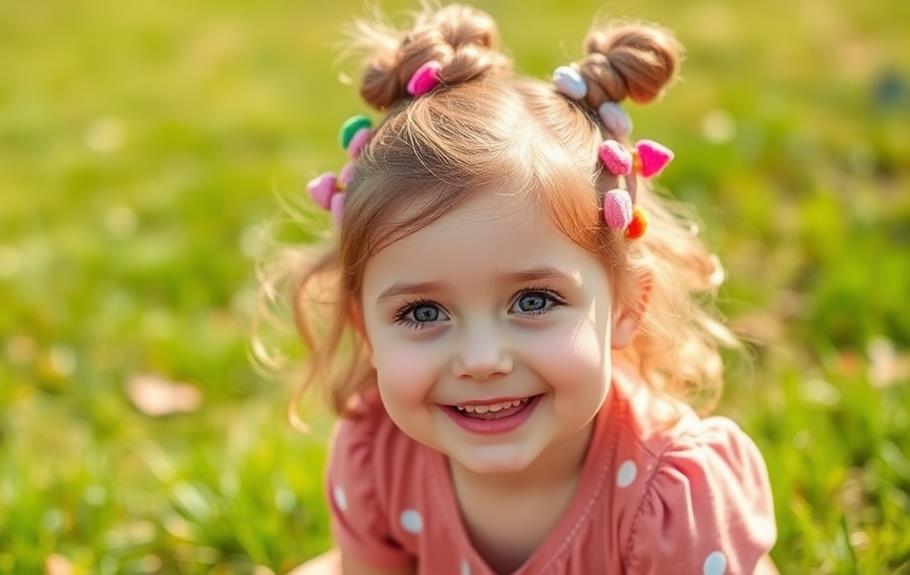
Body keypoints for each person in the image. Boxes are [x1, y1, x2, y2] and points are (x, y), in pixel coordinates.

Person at [253, 2, 778, 573]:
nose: (482, 360)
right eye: (423, 312)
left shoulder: (671, 498)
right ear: (366, 329)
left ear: (629, 305)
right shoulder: (379, 459)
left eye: (534, 301)